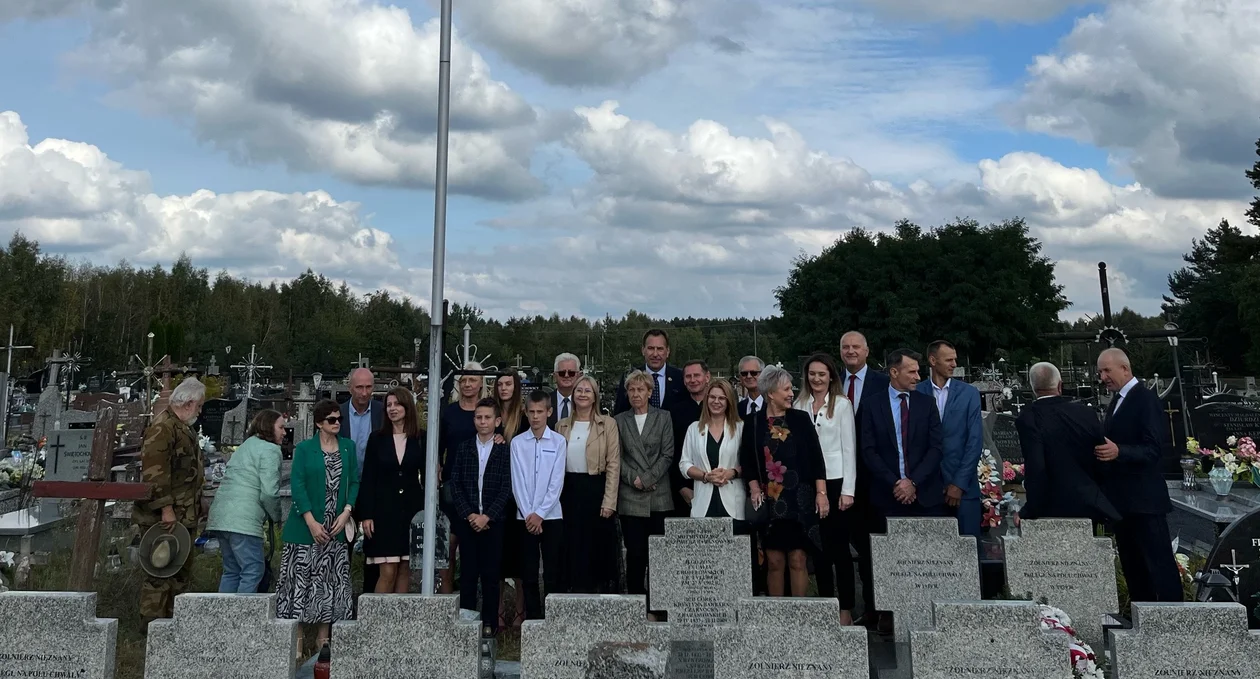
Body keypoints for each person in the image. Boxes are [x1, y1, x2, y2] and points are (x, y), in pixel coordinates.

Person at [1095, 348, 1181, 603]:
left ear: (1125, 368)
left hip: (1145, 502)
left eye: (1106, 370)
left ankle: (1172, 619)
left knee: (1158, 566)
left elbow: (1154, 449)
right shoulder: (1118, 399)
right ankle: (1140, 620)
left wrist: (1119, 451)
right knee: (1134, 568)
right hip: (1123, 503)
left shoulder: (1145, 399)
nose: (1102, 377)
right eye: (1100, 372)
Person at [277, 399, 358, 651]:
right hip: (305, 528)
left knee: (329, 583)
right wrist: (311, 521)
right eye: (331, 420)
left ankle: (323, 637)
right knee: (301, 581)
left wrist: (346, 512)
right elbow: (298, 486)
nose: (337, 423)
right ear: (319, 423)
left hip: (335, 527)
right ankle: (298, 636)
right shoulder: (304, 449)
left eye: (339, 419)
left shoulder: (348, 447)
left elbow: (354, 482)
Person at [741, 365, 828, 597]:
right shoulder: (753, 422)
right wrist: (753, 488)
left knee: (798, 559)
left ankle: (798, 614)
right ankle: (775, 616)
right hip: (770, 502)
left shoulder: (800, 419)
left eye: (791, 388)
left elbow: (816, 459)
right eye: (786, 389)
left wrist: (822, 494)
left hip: (800, 501)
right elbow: (747, 459)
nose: (791, 393)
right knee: (774, 561)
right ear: (771, 393)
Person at [134, 377, 206, 626]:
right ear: (188, 403)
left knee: (178, 572)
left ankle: (172, 624)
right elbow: (155, 473)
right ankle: (152, 626)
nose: (199, 411)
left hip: (184, 512)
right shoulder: (163, 427)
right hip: (164, 516)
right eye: (199, 406)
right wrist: (166, 509)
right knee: (160, 571)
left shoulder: (181, 426)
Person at [795, 353, 857, 624]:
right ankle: (824, 604)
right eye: (812, 374)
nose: (816, 379)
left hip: (836, 481)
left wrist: (848, 490)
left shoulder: (841, 405)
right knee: (817, 548)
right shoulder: (799, 403)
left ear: (831, 376)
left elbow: (849, 448)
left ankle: (845, 609)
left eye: (822, 374)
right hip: (808, 483)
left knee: (839, 549)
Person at [1015, 362, 1119, 523]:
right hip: (1091, 501)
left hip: (1051, 505)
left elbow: (1036, 467)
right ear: (1060, 385)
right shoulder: (1086, 413)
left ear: (1033, 388)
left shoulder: (1028, 418)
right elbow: (1102, 458)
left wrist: (1029, 510)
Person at [449, 398, 513, 637]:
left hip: (493, 523)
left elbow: (506, 487)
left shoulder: (504, 450)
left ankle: (489, 626)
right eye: (478, 417)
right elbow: (456, 484)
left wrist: (488, 516)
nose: (483, 421)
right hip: (469, 522)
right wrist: (470, 514)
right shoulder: (464, 448)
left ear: (497, 421)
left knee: (490, 575)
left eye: (487, 417)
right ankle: (466, 623)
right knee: (467, 574)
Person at [838, 330, 889, 627]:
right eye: (845, 347)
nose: (851, 351)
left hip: (874, 481)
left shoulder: (883, 384)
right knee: (850, 544)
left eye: (856, 346)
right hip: (842, 480)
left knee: (875, 547)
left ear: (867, 351)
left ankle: (879, 609)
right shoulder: (834, 384)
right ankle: (860, 607)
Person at [206, 408, 286, 594]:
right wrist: (277, 517)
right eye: (281, 427)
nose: (284, 432)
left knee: (232, 571)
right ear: (268, 427)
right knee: (252, 570)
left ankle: (223, 618)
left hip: (221, 517)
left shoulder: (247, 445)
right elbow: (268, 492)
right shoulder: (271, 450)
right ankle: (244, 618)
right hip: (244, 522)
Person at [859, 349, 944, 521]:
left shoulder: (927, 404)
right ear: (894, 372)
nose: (918, 377)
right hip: (886, 497)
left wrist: (913, 483)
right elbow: (868, 450)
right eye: (912, 372)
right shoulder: (871, 405)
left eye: (918, 371)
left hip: (925, 497)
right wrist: (896, 484)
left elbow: (936, 447)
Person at [555, 375, 621, 593]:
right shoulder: (561, 425)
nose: (582, 394)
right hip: (569, 491)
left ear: (595, 397)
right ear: (573, 395)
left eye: (587, 391)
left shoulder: (607, 424)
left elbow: (613, 464)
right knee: (572, 545)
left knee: (597, 547)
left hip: (596, 489)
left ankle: (597, 595)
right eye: (579, 390)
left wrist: (609, 500)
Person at [614, 370, 675, 600]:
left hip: (659, 497)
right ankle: (636, 603)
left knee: (658, 556)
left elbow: (668, 454)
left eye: (640, 389)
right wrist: (634, 480)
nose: (636, 394)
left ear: (650, 392)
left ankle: (659, 606)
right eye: (631, 389)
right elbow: (616, 457)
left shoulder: (664, 417)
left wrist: (648, 479)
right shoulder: (619, 420)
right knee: (635, 555)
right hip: (631, 498)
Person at [357, 387, 425, 593]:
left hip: (410, 512)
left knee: (405, 568)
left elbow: (429, 475)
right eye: (389, 405)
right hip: (383, 513)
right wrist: (366, 514)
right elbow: (368, 477)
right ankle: (376, 621)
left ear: (407, 406)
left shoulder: (421, 437)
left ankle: (400, 621)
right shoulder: (377, 438)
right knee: (387, 571)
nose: (392, 409)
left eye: (397, 404)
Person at [915, 341, 984, 537]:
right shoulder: (917, 392)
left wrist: (959, 483)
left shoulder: (968, 393)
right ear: (933, 360)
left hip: (963, 488)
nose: (954, 364)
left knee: (969, 550)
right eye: (949, 359)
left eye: (955, 359)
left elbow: (974, 441)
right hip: (928, 488)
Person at [511, 390, 567, 619]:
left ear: (549, 412)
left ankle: (553, 621)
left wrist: (541, 513)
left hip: (551, 516)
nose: (535, 417)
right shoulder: (517, 443)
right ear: (525, 413)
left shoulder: (558, 441)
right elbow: (517, 481)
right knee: (529, 573)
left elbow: (556, 481)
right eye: (531, 412)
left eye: (540, 412)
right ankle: (533, 620)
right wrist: (529, 514)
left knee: (552, 572)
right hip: (525, 518)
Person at [439, 361, 489, 594]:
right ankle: (446, 595)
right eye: (464, 380)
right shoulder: (448, 412)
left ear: (481, 384)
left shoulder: (488, 412)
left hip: (481, 487)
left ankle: (472, 598)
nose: (468, 384)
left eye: (473, 380)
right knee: (448, 544)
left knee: (475, 547)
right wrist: (437, 464)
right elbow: (437, 446)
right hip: (451, 485)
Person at [340, 368, 383, 595]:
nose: (365, 393)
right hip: (344, 487)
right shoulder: (337, 414)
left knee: (373, 543)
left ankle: (368, 597)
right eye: (359, 387)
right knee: (341, 544)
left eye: (369, 387)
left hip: (372, 488)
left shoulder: (382, 412)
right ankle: (341, 595)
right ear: (350, 388)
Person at [680, 379, 746, 522]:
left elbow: (749, 463)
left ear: (729, 401)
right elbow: (684, 464)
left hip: (732, 502)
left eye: (722, 398)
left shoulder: (740, 428)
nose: (716, 401)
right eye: (712, 397)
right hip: (703, 503)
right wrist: (705, 476)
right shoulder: (694, 428)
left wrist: (731, 473)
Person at [493, 370, 527, 629]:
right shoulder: (490, 415)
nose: (504, 388)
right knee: (497, 557)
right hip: (494, 492)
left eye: (508, 384)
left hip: (519, 493)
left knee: (519, 557)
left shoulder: (524, 417)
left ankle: (519, 610)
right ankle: (497, 609)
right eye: (500, 384)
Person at [668, 359, 710, 515]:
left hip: (717, 484)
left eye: (697, 375)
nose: (693, 380)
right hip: (683, 487)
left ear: (707, 377)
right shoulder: (674, 411)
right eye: (688, 376)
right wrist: (680, 486)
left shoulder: (719, 407)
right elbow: (670, 450)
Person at [613, 329, 684, 415]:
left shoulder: (680, 377)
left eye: (660, 349)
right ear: (643, 350)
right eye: (650, 348)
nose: (655, 354)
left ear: (668, 351)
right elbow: (620, 412)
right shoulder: (629, 377)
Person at [549, 353, 582, 427]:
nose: (566, 376)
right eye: (562, 373)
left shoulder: (586, 402)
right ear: (554, 376)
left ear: (579, 376)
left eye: (571, 373)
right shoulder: (545, 402)